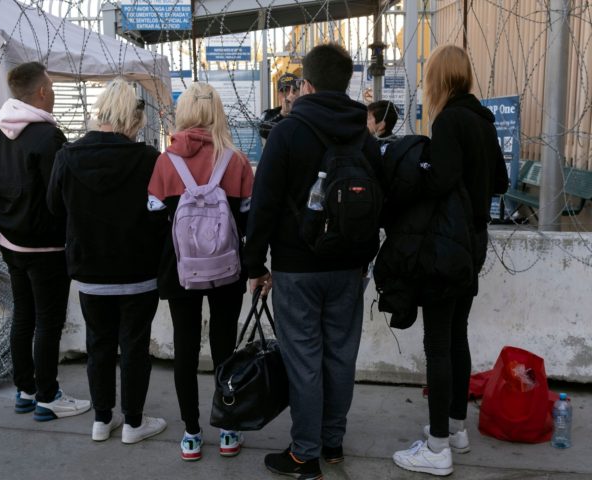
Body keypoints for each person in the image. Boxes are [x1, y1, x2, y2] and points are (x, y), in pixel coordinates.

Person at [244, 44, 382, 480]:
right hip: (350, 267)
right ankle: (332, 442)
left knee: (303, 358)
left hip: (297, 266)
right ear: (347, 83)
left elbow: (262, 204)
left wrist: (255, 265)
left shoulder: (288, 131)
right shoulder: (364, 136)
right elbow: (381, 202)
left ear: (306, 83)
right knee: (340, 355)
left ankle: (305, 454)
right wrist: (366, 256)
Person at [384, 45, 509, 476]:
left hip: (445, 245)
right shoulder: (482, 120)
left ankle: (437, 448)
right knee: (456, 336)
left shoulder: (450, 120)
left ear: (439, 78)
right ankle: (456, 427)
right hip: (473, 242)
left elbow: (440, 178)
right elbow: (501, 180)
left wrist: (415, 170)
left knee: (437, 343)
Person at [47, 78, 167, 444]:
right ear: (130, 119)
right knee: (134, 346)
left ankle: (102, 419)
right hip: (138, 271)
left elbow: (54, 207)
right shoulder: (147, 159)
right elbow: (162, 213)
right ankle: (133, 422)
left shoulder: (68, 156)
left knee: (98, 345)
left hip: (91, 271)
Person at [147, 82, 254, 461]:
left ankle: (191, 433)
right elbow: (247, 219)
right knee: (225, 348)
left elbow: (155, 219)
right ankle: (227, 428)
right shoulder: (236, 161)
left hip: (180, 271)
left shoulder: (166, 161)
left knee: (185, 349)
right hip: (227, 268)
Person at [0, 61, 90, 420]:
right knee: (48, 321)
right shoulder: (48, 138)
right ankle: (48, 396)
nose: (54, 92)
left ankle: (25, 391)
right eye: (52, 86)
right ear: (41, 92)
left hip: (9, 241)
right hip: (46, 247)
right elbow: (59, 196)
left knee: (23, 316)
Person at [258, 72, 299, 140]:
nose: (289, 95)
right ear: (278, 95)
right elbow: (263, 131)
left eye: (293, 90)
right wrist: (282, 114)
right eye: (284, 90)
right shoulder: (270, 113)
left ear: (300, 92)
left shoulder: (307, 112)